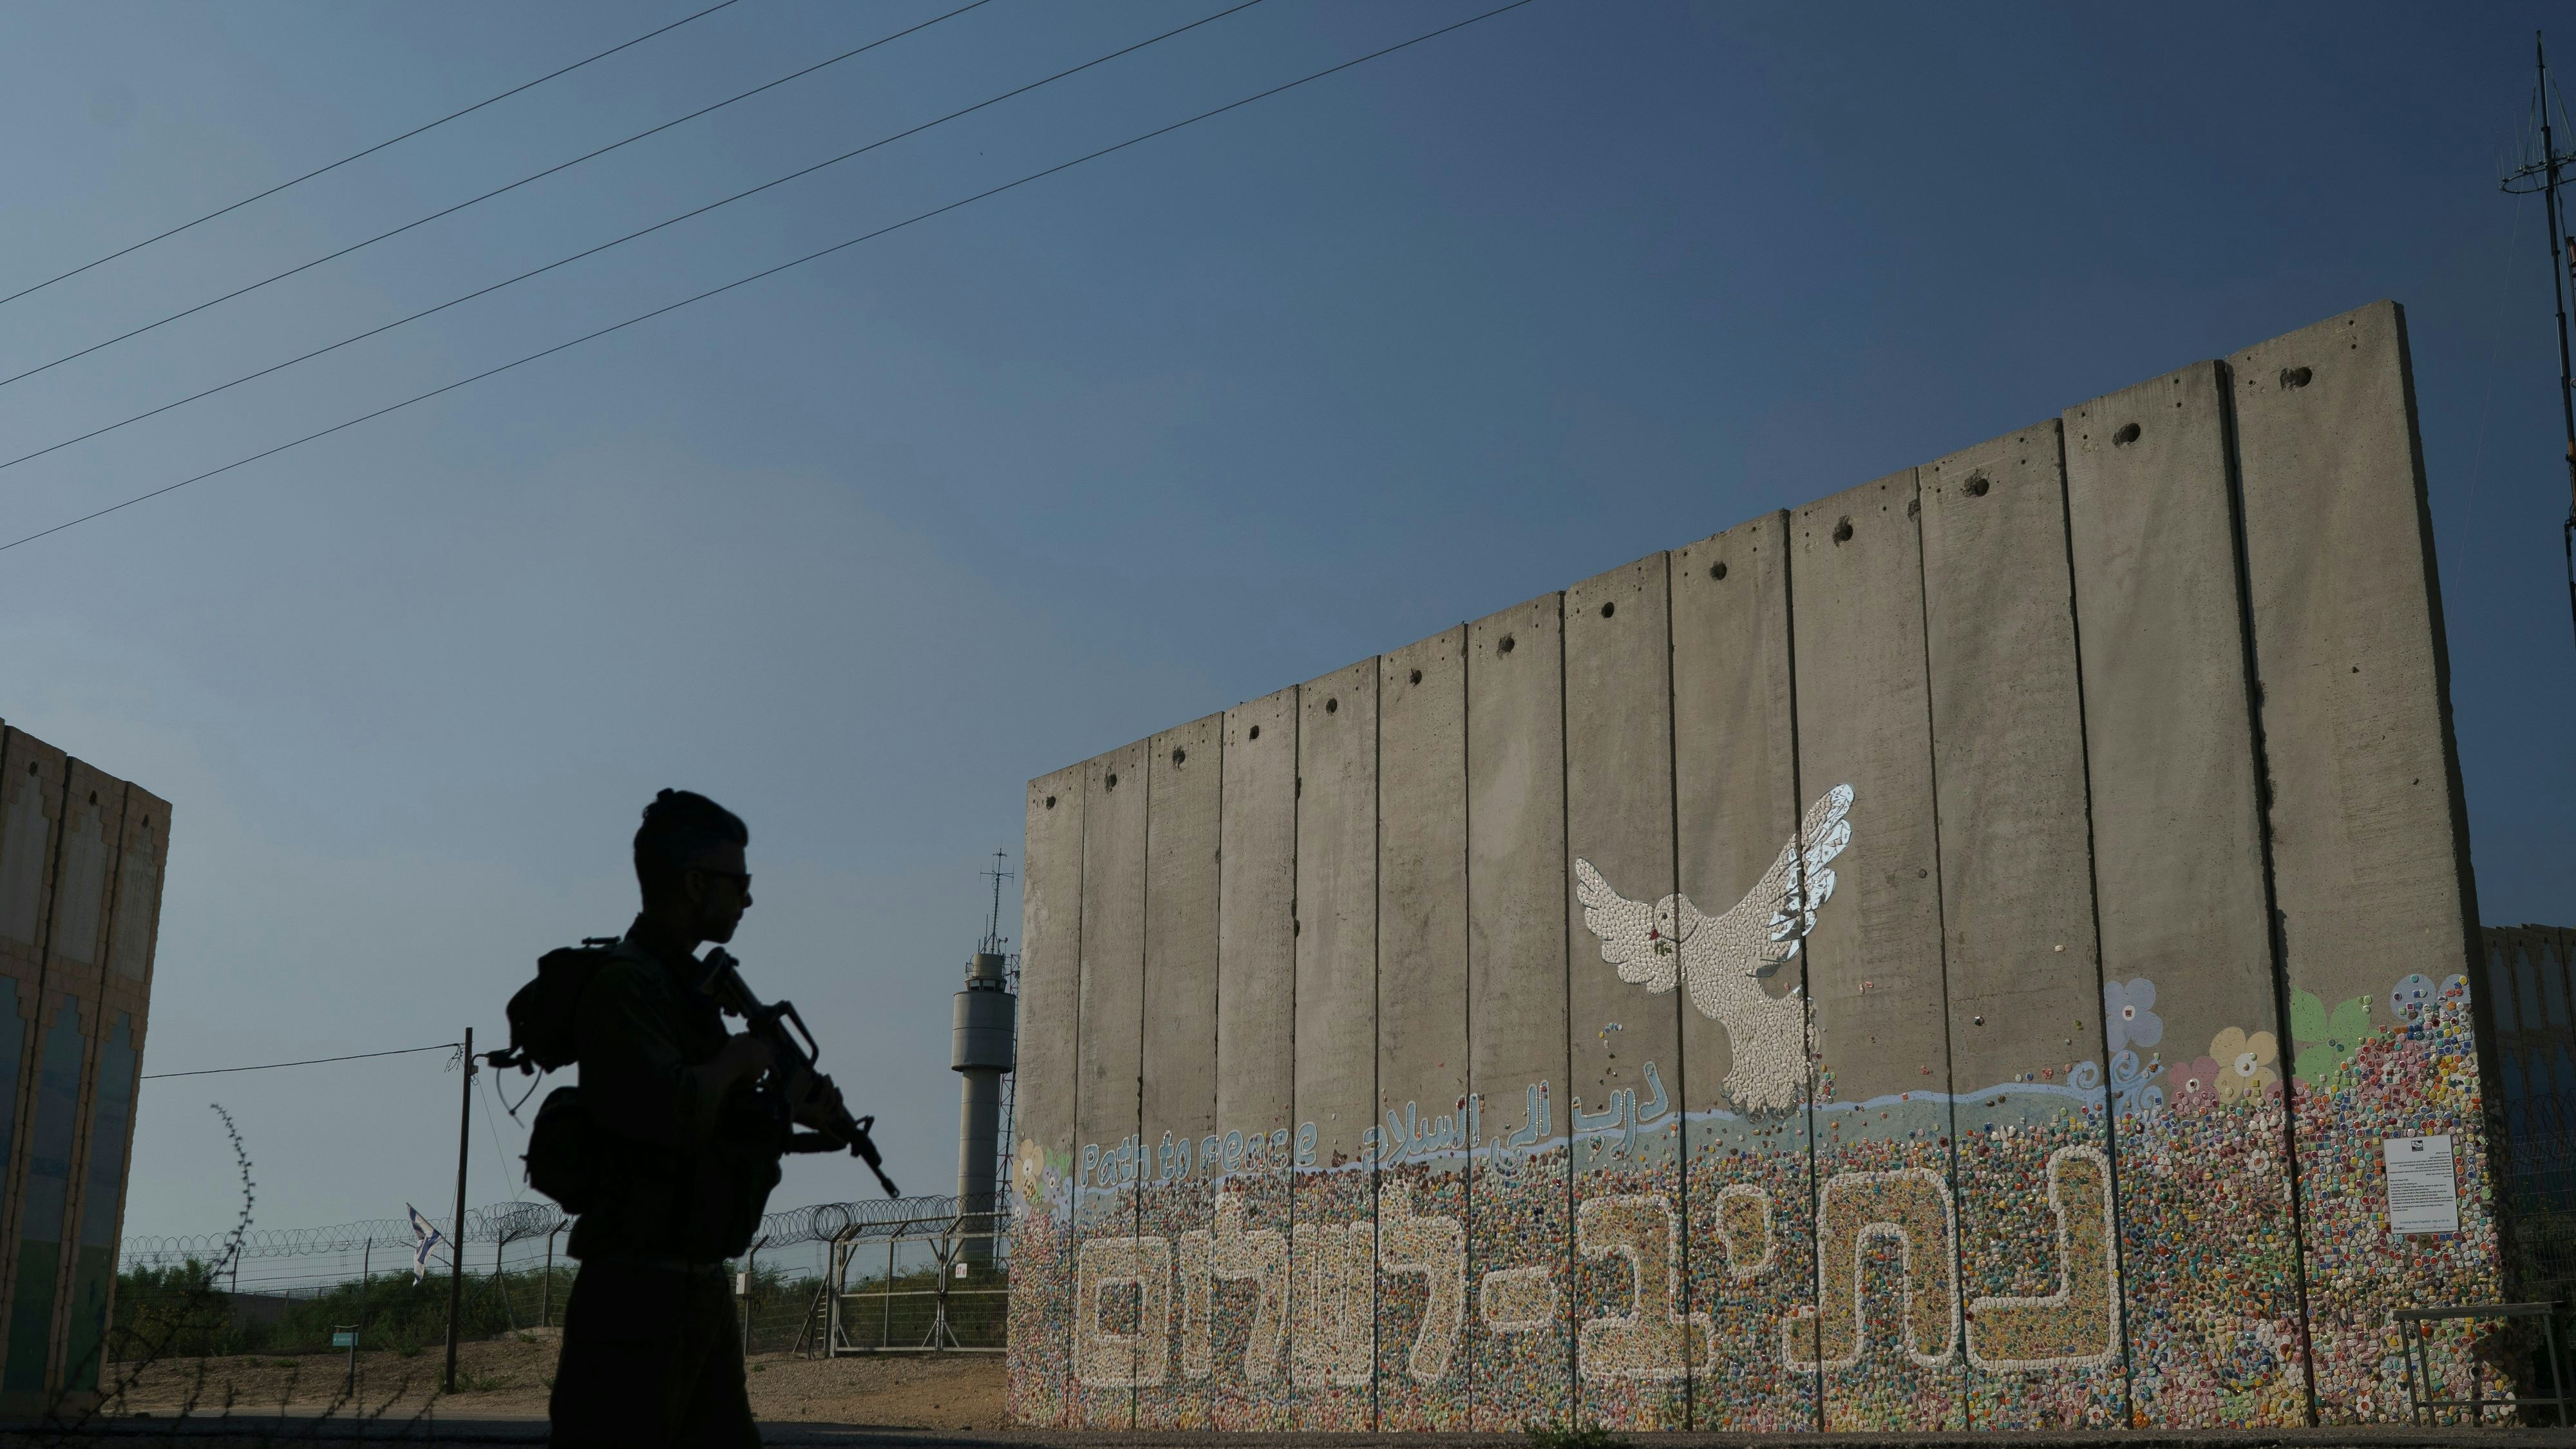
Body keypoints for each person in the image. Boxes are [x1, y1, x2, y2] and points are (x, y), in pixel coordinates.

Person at [548, 789, 834, 1448]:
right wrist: (738, 1060)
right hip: (633, 1292)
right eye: (740, 883)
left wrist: (791, 1108)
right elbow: (670, 1114)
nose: (749, 900)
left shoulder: (687, 993)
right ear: (695, 883)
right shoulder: (627, 985)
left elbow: (720, 1134)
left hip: (694, 1289)